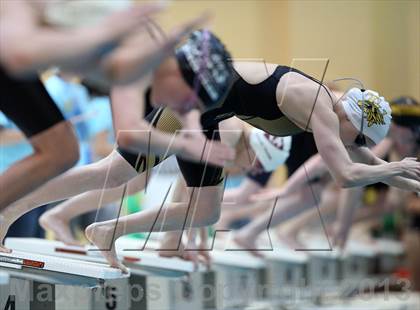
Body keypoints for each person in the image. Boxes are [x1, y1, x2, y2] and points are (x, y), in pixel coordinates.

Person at [2, 29, 420, 271]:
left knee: (206, 211)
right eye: (362, 138)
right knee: (112, 172)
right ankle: (10, 209)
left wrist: (403, 174)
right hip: (194, 102)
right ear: (353, 121)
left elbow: (365, 160)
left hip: (211, 115)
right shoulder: (318, 107)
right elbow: (347, 174)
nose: (363, 147)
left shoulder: (332, 115)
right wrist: (394, 167)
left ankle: (106, 230)